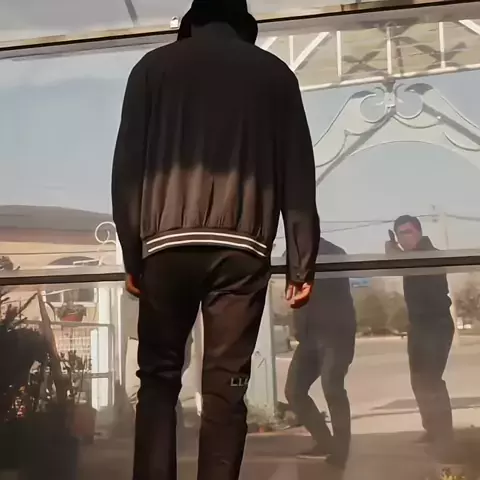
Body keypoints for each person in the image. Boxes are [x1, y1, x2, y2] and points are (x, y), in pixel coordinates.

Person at [111, 1, 320, 479]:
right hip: (243, 249)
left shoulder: (151, 69)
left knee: (159, 380)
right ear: (243, 25)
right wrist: (301, 261)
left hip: (166, 248)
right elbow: (296, 172)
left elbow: (126, 172)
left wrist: (133, 256)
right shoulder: (276, 75)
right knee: (227, 387)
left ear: (192, 22)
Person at [285, 238, 356, 469]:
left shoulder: (332, 252)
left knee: (332, 387)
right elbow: (296, 296)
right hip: (309, 338)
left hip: (335, 335)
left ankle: (340, 450)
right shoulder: (291, 254)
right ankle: (326, 442)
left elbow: (317, 289)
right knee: (294, 391)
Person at [386, 215, 454, 450]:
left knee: (431, 379)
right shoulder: (409, 257)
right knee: (418, 380)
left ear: (418, 232)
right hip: (418, 325)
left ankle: (443, 433)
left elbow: (409, 264)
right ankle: (433, 429)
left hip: (436, 324)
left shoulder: (428, 253)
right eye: (399, 235)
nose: (403, 239)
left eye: (407, 232)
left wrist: (393, 253)